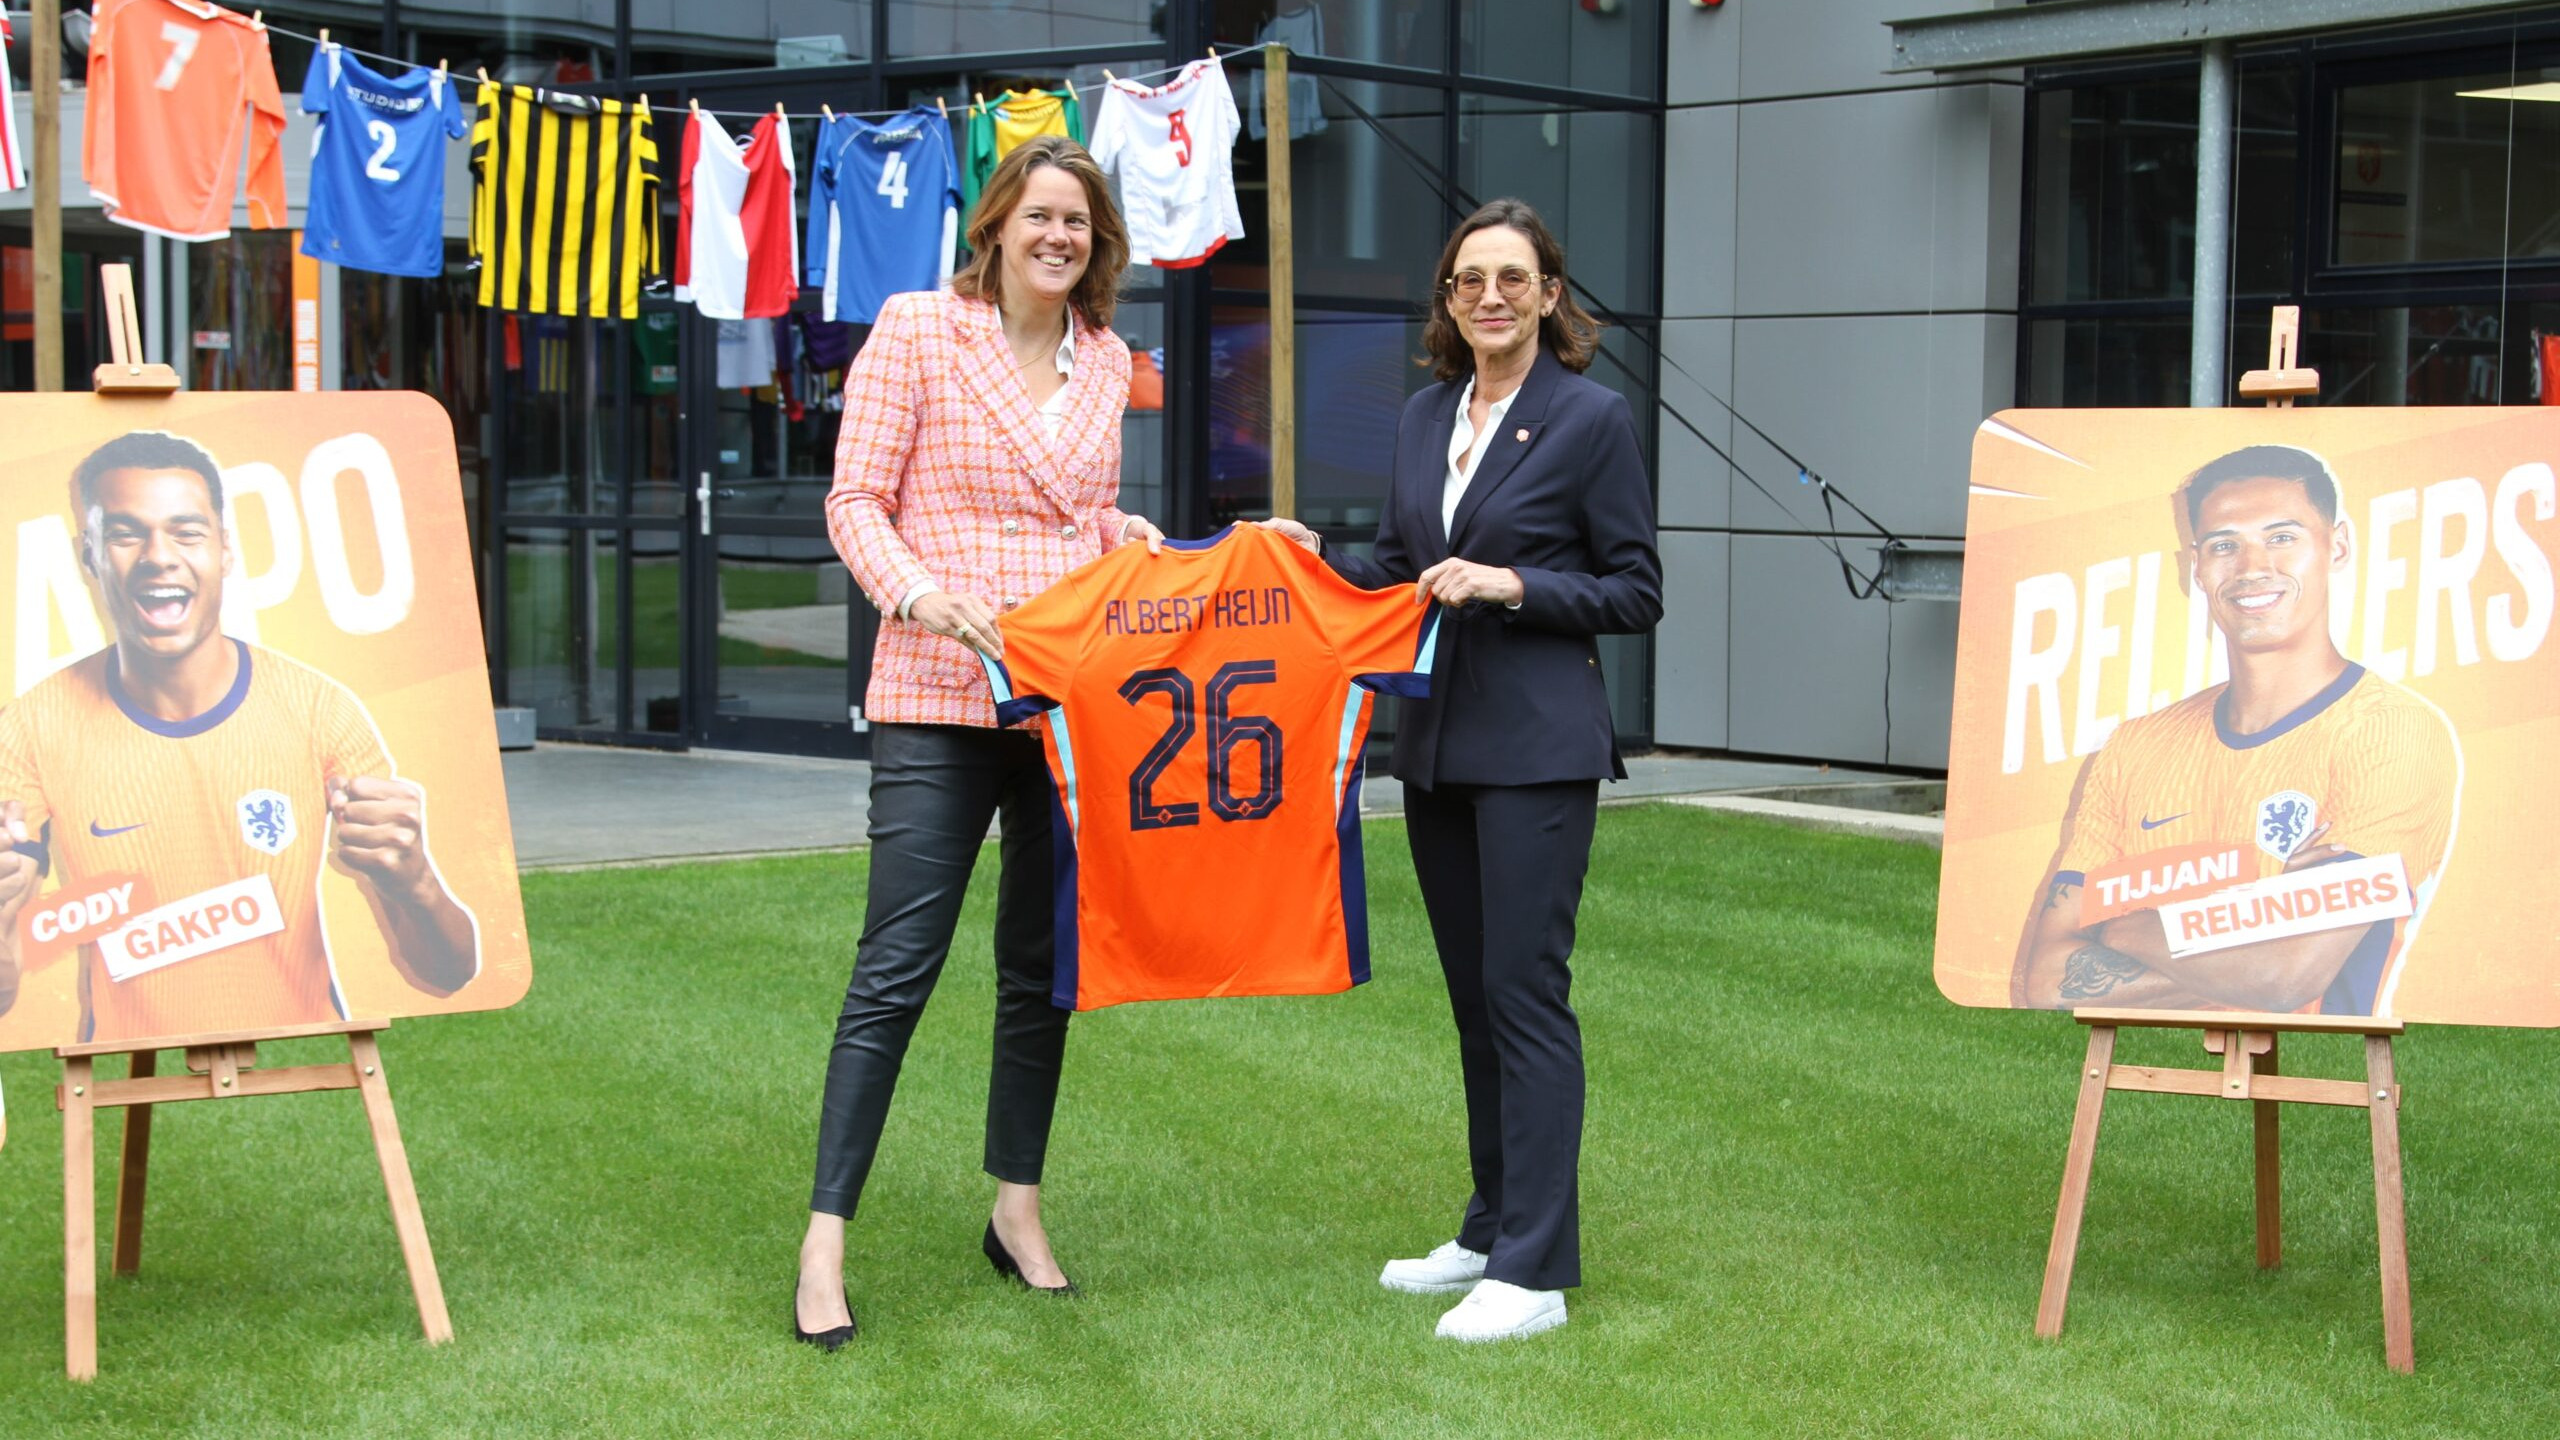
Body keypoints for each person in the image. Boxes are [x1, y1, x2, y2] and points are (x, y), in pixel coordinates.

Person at [1263, 198, 1661, 1342]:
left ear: (1548, 295)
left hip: (1538, 751)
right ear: (1446, 301)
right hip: (1437, 747)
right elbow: (1399, 570)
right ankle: (1491, 1227)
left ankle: (1533, 1275)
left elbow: (1635, 589)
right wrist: (1315, 558)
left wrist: (1514, 585)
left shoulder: (1589, 420)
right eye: (1467, 280)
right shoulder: (1424, 416)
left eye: (1512, 278)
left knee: (1526, 999)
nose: (1490, 296)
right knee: (1476, 1005)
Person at [794, 134, 1162, 1350]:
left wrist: (1132, 534)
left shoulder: (1106, 360)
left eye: (1080, 223)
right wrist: (913, 595)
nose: (1059, 236)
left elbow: (1069, 511)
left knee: (1037, 969)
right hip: (935, 684)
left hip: (1063, 697)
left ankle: (1017, 1208)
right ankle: (823, 1242)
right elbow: (856, 498)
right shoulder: (915, 327)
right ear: (998, 223)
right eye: (1041, 215)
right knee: (895, 967)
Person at [0, 430, 481, 1043]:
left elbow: (451, 972)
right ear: (88, 555)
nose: (159, 556)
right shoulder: (30, 727)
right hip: (123, 1057)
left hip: (307, 1057)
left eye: (187, 532)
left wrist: (416, 880)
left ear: (225, 549)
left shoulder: (319, 710)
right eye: (125, 533)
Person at [2012, 445, 2460, 1016]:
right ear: (2195, 565)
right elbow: (2046, 981)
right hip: (2159, 1078)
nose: (2251, 567)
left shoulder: (2392, 733)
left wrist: (2127, 928)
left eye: (2281, 537)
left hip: (2321, 1070)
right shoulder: (2136, 747)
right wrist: (2263, 934)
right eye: (2225, 545)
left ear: (2337, 545)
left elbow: (2284, 978)